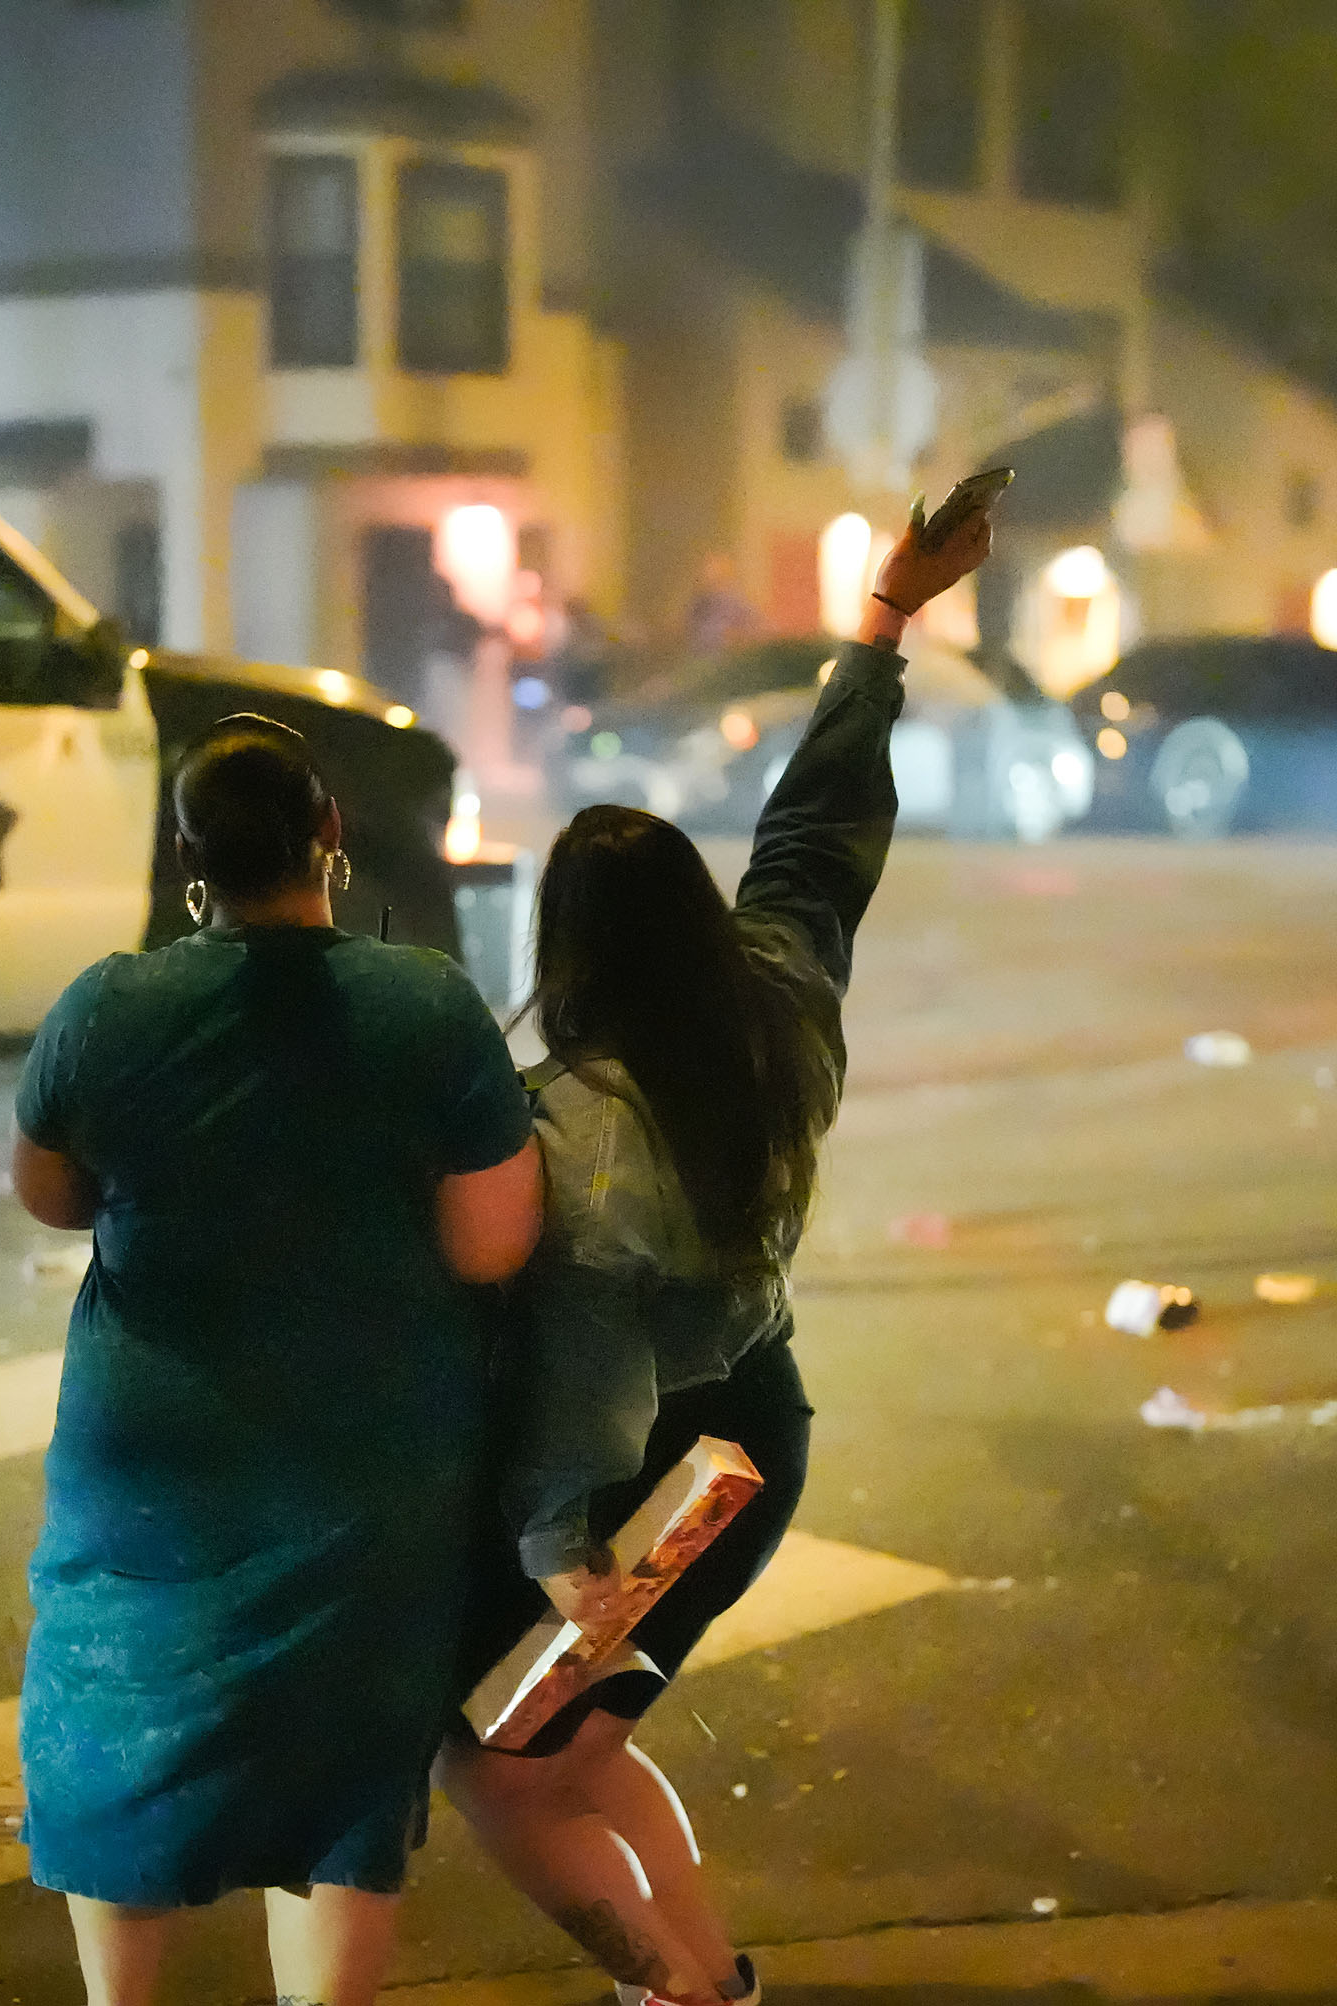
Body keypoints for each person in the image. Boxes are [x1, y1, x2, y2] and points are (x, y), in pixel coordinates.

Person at [440, 500, 995, 2004]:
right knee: (579, 1748)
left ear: (566, 959)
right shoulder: (777, 996)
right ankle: (702, 1986)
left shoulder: (572, 1136)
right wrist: (880, 627)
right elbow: (817, 836)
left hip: (648, 1484)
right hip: (756, 1446)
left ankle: (671, 1990)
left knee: (500, 1768)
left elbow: (586, 1390)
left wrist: (560, 1556)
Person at [10, 714, 543, 2006]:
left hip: (151, 1464)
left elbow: (50, 1193)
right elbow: (491, 1244)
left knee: (123, 1737)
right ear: (332, 837)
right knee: (341, 1768)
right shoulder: (423, 1003)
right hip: (360, 1468)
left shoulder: (108, 1004)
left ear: (187, 851)